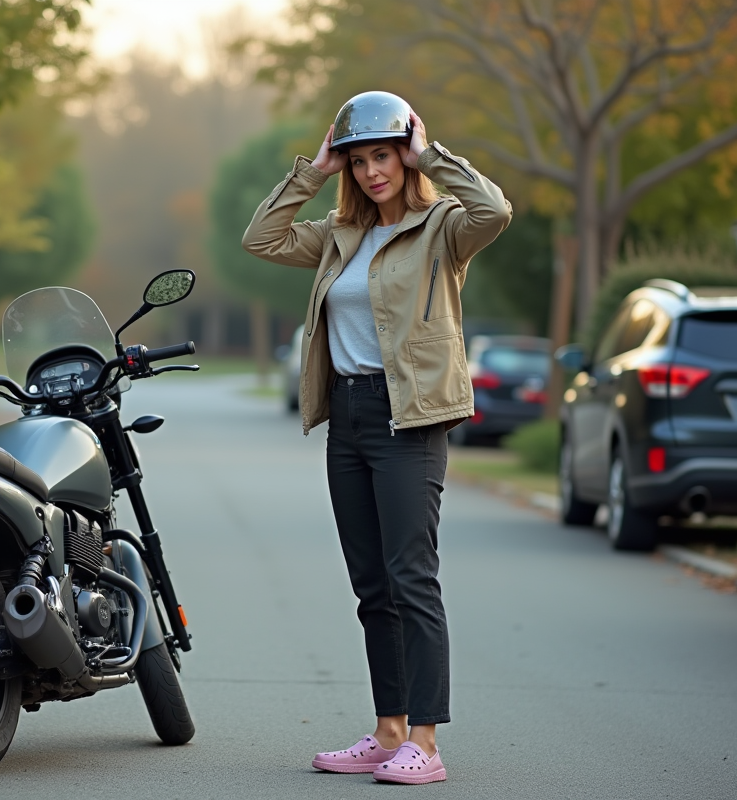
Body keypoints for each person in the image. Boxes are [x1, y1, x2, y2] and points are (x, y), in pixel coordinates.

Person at [241, 91, 511, 785]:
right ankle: (390, 728)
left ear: (403, 154)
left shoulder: (443, 227)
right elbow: (261, 238)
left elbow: (496, 211)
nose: (371, 172)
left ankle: (426, 740)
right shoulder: (339, 235)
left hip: (409, 418)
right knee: (371, 586)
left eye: (382, 156)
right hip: (351, 417)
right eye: (359, 160)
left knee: (411, 579)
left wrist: (434, 157)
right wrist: (314, 170)